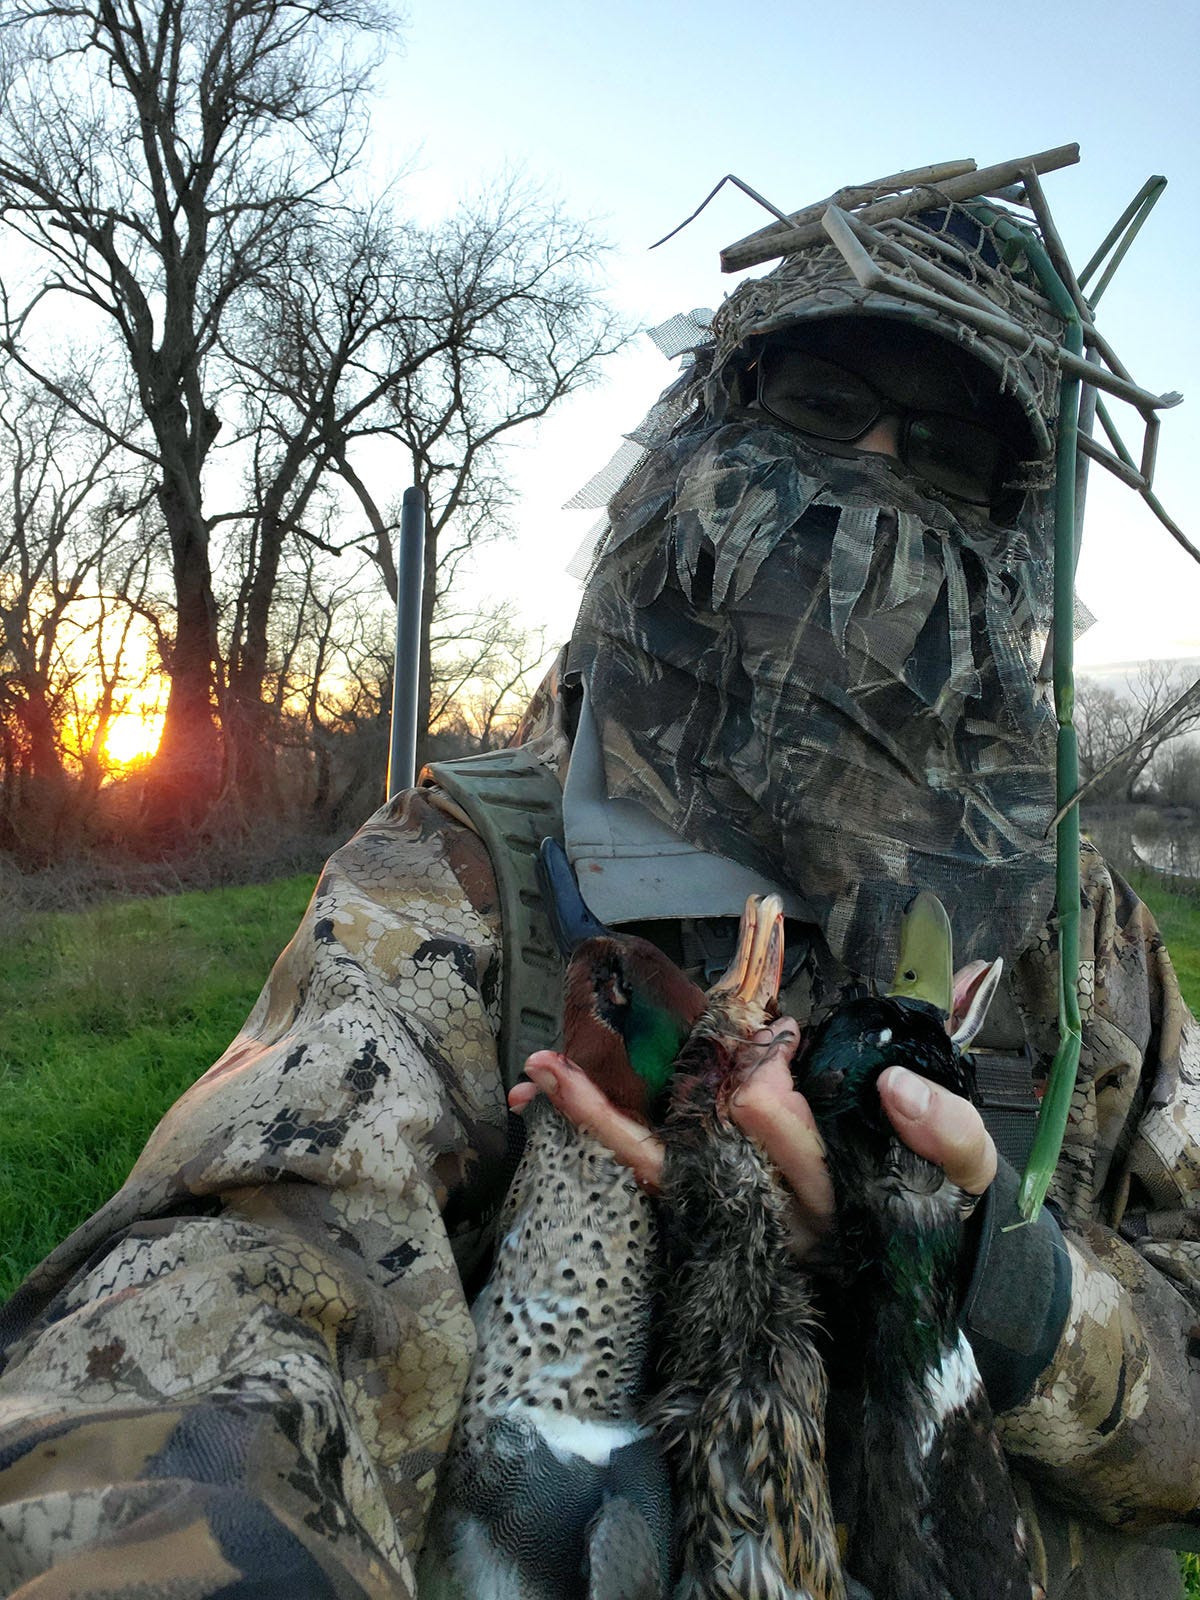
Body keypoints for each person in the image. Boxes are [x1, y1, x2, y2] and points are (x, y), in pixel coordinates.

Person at [0, 157, 1197, 1600]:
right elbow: (253, 1255)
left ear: (1019, 524)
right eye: (823, 409)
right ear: (708, 429)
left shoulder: (1092, 960)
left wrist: (986, 1286)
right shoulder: (466, 871)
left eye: (943, 448)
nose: (871, 475)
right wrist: (158, 1545)